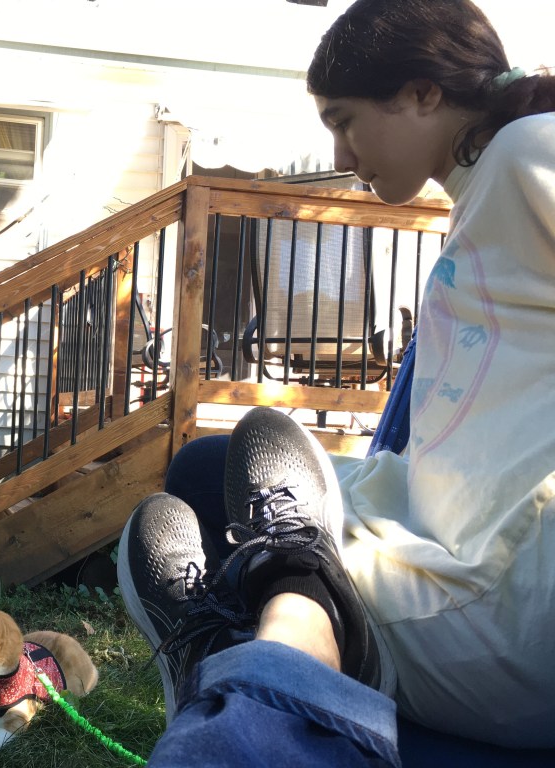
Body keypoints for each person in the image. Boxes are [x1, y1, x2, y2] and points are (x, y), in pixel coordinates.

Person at [117, 0, 555, 765]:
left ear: (423, 93)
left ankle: (279, 646)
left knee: (243, 518)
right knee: (207, 469)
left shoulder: (530, 149)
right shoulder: (483, 187)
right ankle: (251, 641)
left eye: (345, 121)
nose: (343, 153)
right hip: (447, 518)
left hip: (501, 589)